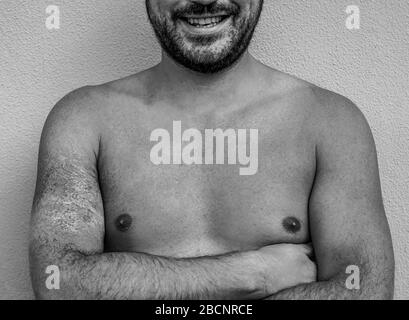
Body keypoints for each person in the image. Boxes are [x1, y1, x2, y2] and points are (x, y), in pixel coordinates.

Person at [29, 0, 394, 299]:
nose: (204, 1)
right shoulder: (83, 119)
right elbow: (58, 282)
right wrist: (254, 274)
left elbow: (365, 291)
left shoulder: (330, 122)